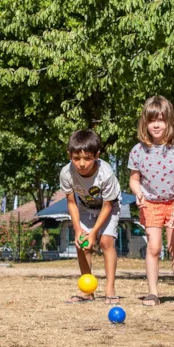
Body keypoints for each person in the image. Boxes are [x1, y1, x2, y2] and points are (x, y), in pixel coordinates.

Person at [128, 96, 174, 308]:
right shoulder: (138, 150)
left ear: (169, 121)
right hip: (150, 204)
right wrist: (138, 193)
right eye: (152, 120)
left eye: (161, 119)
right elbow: (134, 179)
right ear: (145, 122)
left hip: (173, 203)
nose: (157, 124)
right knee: (154, 247)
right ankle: (152, 293)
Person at [60, 129, 121, 304]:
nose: (81, 163)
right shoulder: (66, 173)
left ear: (97, 155)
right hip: (85, 207)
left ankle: (110, 288)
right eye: (76, 158)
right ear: (69, 155)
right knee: (82, 244)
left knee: (106, 241)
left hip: (109, 206)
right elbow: (71, 202)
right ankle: (87, 291)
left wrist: (94, 232)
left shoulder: (105, 173)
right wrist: (79, 230)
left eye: (87, 158)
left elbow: (108, 205)